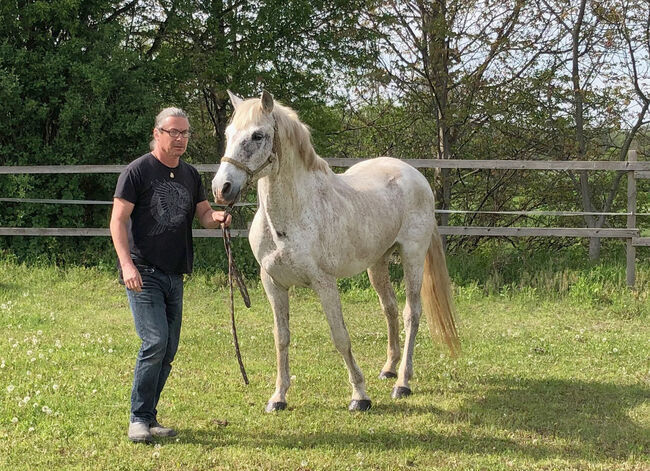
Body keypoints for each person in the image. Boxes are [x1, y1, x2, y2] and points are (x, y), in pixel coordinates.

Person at [109, 107, 231, 443]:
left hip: (175, 274)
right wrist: (126, 266)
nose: (180, 139)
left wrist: (217, 218)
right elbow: (117, 221)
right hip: (143, 271)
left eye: (185, 133)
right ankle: (137, 419)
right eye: (173, 132)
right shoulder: (137, 172)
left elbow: (203, 215)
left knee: (169, 349)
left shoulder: (191, 174)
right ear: (157, 133)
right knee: (155, 342)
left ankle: (149, 417)